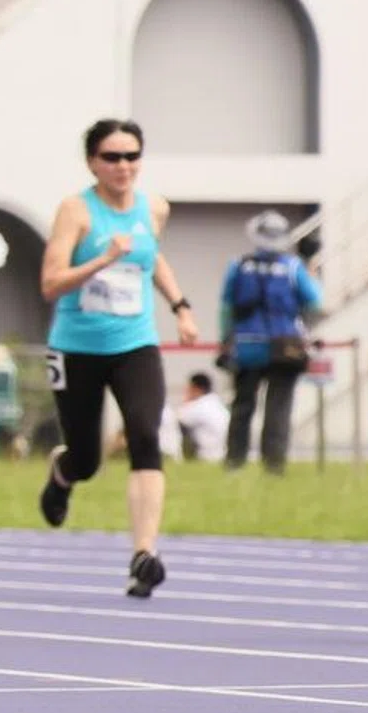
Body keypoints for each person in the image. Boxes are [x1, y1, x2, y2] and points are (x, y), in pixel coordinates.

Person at [37, 118, 201, 598]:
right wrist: (102, 260)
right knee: (87, 459)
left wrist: (181, 307)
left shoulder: (154, 208)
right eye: (112, 157)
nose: (123, 166)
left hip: (135, 343)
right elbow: (50, 284)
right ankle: (63, 472)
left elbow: (152, 257)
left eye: (131, 156)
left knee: (146, 436)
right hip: (78, 348)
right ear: (93, 162)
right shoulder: (75, 212)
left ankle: (143, 555)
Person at [221, 210, 323, 473]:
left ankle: (235, 461)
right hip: (284, 346)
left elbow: (226, 307)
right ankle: (274, 464)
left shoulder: (239, 265)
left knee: (242, 405)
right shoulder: (292, 267)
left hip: (247, 345)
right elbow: (315, 301)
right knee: (279, 406)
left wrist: (226, 341)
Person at [175, 372, 231, 461]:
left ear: (196, 388)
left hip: (208, 455)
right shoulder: (216, 402)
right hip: (223, 452)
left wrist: (186, 401)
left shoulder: (199, 405)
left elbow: (175, 420)